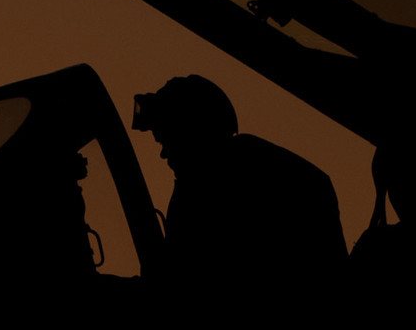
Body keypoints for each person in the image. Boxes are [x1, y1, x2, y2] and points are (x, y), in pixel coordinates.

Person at [132, 74, 344, 311]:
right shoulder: (253, 167)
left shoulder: (215, 186)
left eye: (165, 141)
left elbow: (185, 286)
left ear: (191, 132)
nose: (163, 154)